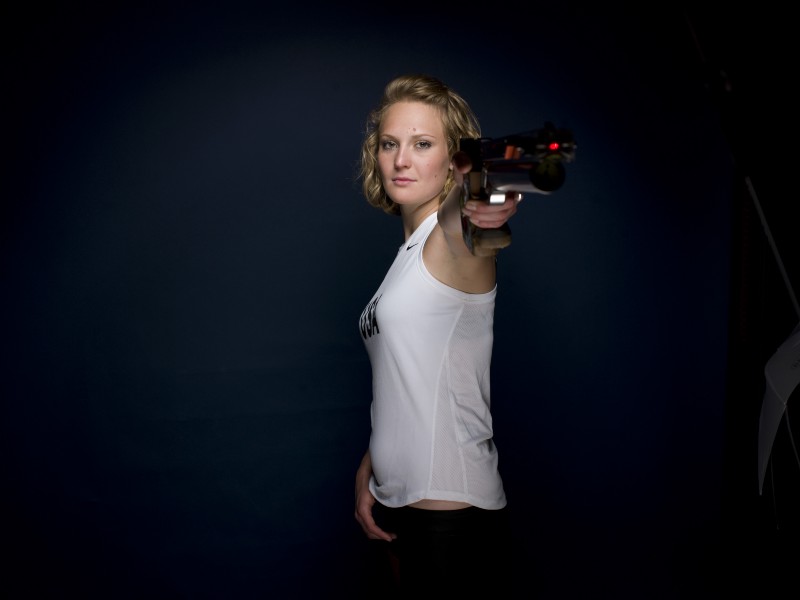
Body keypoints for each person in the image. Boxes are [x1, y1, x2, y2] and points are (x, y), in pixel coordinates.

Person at [353, 74, 522, 595]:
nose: (402, 159)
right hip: (398, 507)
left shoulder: (452, 241)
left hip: (449, 519)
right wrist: (369, 472)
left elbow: (481, 206)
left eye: (422, 144)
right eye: (390, 144)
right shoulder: (404, 259)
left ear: (453, 159)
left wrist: (491, 193)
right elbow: (406, 382)